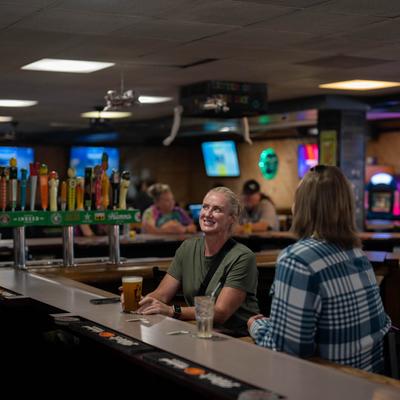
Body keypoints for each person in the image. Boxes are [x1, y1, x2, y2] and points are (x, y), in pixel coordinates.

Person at [248, 165, 391, 373]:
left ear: (302, 206)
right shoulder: (356, 253)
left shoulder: (297, 259)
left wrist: (257, 327)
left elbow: (287, 351)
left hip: (328, 386)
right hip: (371, 383)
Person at [136, 186, 260, 333]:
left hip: (237, 337)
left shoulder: (243, 257)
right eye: (205, 207)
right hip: (202, 331)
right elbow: (162, 294)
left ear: (231, 218)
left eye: (217, 209)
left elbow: (220, 313)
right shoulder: (187, 248)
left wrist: (172, 311)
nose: (208, 214)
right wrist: (140, 302)